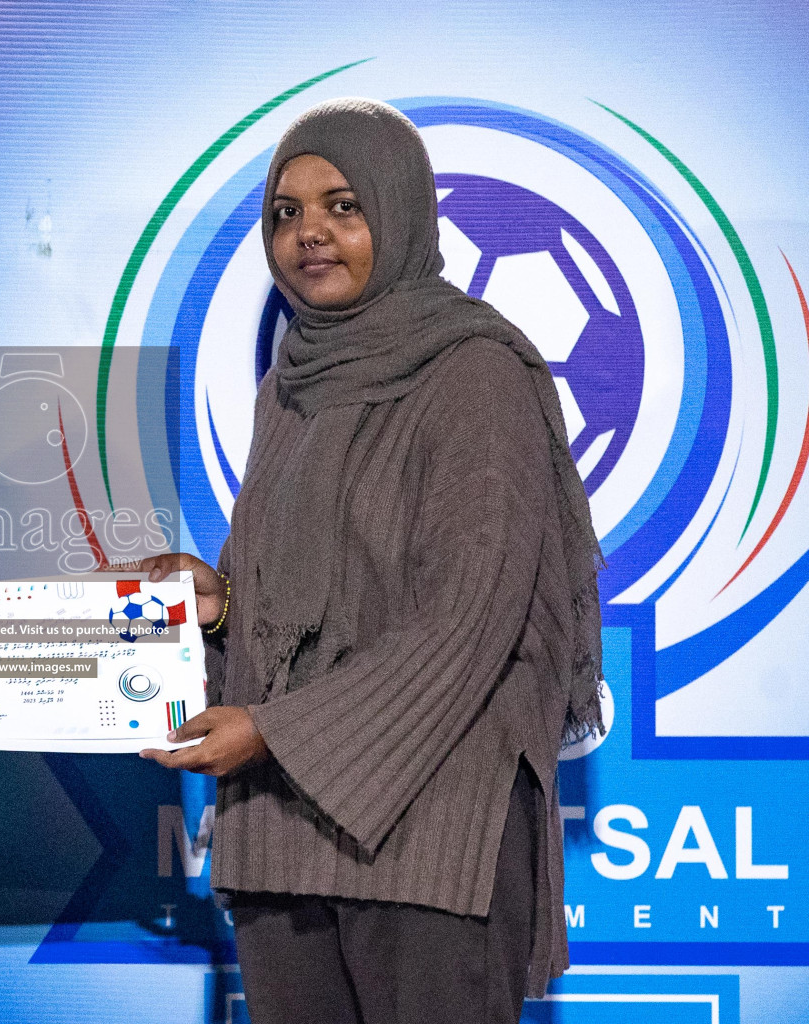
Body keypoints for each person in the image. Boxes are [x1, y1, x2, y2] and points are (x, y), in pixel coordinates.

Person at [135, 98, 604, 1024]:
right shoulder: (292, 383)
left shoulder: (474, 371)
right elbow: (305, 593)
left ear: (400, 213)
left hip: (434, 835)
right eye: (286, 213)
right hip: (282, 833)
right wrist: (221, 607)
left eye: (343, 206)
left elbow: (469, 622)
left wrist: (273, 733)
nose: (310, 233)